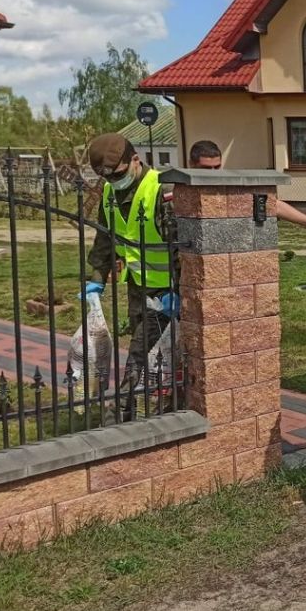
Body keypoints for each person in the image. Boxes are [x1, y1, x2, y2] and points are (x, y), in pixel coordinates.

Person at [83, 133, 178, 416]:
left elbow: (182, 243)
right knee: (152, 351)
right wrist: (97, 279)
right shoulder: (111, 192)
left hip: (167, 291)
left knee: (144, 349)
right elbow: (104, 238)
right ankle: (157, 403)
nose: (114, 182)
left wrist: (180, 286)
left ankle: (124, 407)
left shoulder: (161, 189)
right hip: (138, 287)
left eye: (119, 175)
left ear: (135, 160)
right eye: (108, 178)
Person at [188, 140, 306, 234]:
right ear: (191, 164)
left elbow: (272, 204)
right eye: (206, 168)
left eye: (217, 167)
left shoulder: (230, 188)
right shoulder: (180, 193)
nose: (213, 173)